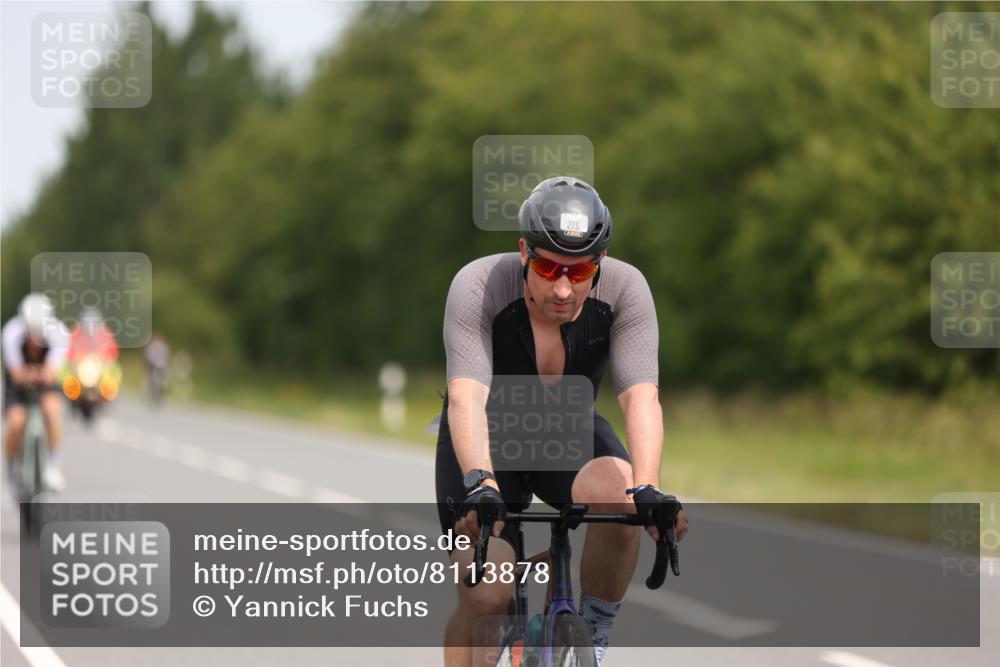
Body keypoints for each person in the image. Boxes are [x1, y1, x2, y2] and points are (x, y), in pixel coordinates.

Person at [436, 176, 689, 666]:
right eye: (549, 266)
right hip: (485, 442)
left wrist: (649, 488)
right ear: (523, 252)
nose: (563, 286)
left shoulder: (626, 290)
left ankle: (589, 634)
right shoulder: (479, 284)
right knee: (487, 596)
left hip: (568, 432)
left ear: (601, 263)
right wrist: (481, 482)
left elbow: (642, 399)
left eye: (581, 270)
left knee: (624, 501)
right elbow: (465, 398)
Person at [2, 293, 70, 493]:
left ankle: (53, 463)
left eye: (39, 333)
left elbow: (52, 371)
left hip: (44, 382)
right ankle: (12, 470)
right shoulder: (10, 333)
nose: (35, 339)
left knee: (51, 410)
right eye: (31, 333)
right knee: (15, 423)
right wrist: (30, 375)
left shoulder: (60, 334)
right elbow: (15, 374)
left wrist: (36, 374)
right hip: (17, 386)